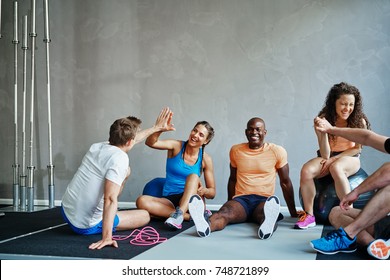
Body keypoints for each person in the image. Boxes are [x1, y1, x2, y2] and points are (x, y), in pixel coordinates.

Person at [61, 107, 174, 250]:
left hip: (66, 210)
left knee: (125, 173)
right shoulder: (119, 159)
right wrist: (107, 238)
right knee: (144, 215)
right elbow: (110, 199)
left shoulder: (97, 146)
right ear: (129, 142)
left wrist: (156, 128)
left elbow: (132, 139)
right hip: (84, 225)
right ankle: (106, 226)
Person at [188, 117, 299, 239]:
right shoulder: (236, 150)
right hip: (241, 200)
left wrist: (293, 212)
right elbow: (232, 179)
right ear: (246, 132)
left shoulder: (277, 151)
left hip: (263, 200)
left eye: (258, 129)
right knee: (224, 213)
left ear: (265, 132)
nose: (254, 132)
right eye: (251, 129)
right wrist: (230, 202)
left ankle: (267, 227)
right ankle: (205, 226)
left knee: (267, 214)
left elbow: (285, 182)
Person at [310, 117, 390, 260]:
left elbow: (388, 172)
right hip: (386, 226)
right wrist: (330, 129)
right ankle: (374, 245)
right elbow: (367, 137)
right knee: (336, 212)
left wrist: (356, 192)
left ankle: (348, 235)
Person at [295, 82, 370, 229]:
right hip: (329, 156)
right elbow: (325, 153)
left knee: (337, 168)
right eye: (343, 104)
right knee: (306, 170)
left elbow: (357, 149)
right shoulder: (324, 119)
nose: (347, 108)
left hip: (351, 158)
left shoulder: (359, 121)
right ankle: (309, 216)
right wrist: (322, 133)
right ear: (334, 103)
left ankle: (349, 212)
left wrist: (334, 160)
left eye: (351, 104)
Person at [136, 120, 216, 230]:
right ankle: (189, 217)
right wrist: (159, 129)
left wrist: (205, 191)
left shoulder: (206, 159)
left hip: (192, 201)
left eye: (201, 135)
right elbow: (151, 143)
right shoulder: (176, 146)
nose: (195, 135)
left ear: (206, 141)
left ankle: (180, 215)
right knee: (141, 201)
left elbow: (212, 193)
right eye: (194, 130)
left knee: (193, 176)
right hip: (170, 199)